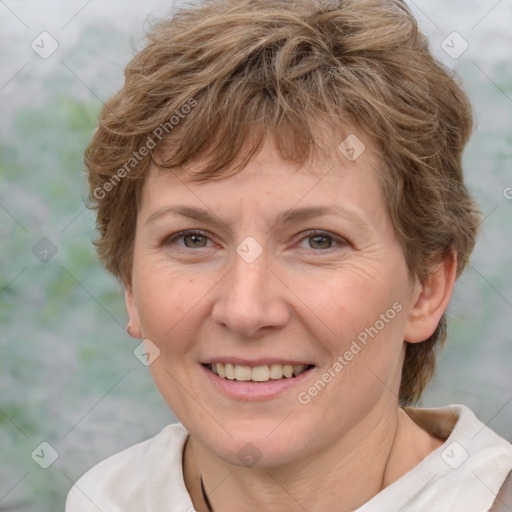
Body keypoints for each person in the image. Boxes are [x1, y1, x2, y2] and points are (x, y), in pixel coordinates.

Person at [65, 0, 512, 510]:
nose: (245, 310)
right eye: (192, 239)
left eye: (319, 240)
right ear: (131, 286)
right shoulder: (105, 497)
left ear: (426, 288)